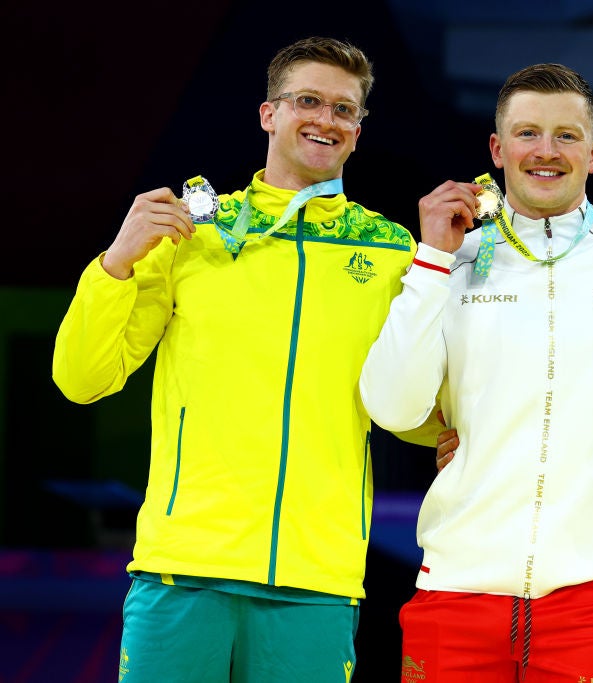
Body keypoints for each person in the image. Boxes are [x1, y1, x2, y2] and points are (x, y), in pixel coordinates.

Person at [51, 36, 416, 682]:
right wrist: (115, 263)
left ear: (358, 131)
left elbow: (407, 406)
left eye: (343, 109)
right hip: (183, 571)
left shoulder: (390, 254)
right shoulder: (194, 236)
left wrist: (454, 428)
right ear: (268, 114)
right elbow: (82, 377)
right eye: (308, 100)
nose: (325, 120)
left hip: (315, 580)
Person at [358, 63, 593, 681]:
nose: (546, 151)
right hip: (456, 584)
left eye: (566, 136)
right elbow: (393, 408)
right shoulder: (444, 258)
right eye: (528, 133)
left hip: (589, 593)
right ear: (496, 148)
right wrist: (431, 256)